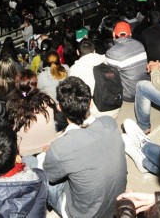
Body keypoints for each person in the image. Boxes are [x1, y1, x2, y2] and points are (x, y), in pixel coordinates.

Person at [42, 76, 126, 217]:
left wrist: (49, 154)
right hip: (117, 205)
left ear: (60, 108)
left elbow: (51, 177)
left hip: (83, 214)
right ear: (91, 103)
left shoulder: (60, 147)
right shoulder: (109, 123)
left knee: (35, 166)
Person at [6, 70, 56, 156]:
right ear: (36, 84)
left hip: (25, 153)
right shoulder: (48, 99)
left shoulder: (11, 104)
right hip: (50, 147)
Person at [105, 21, 148, 101]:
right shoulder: (140, 44)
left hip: (130, 95)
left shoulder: (111, 52)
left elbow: (111, 75)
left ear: (114, 34)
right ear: (130, 34)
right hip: (145, 88)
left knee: (106, 74)